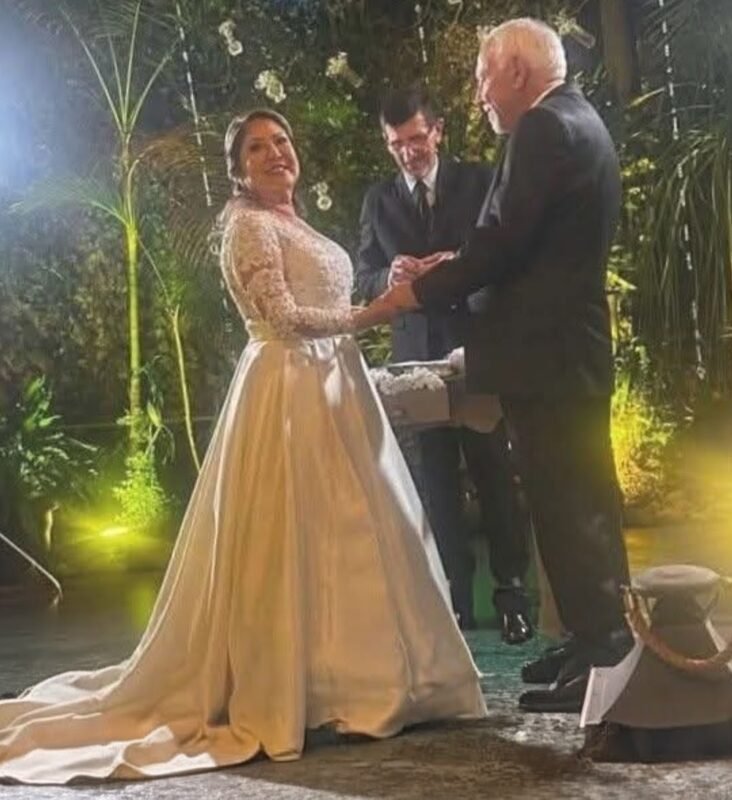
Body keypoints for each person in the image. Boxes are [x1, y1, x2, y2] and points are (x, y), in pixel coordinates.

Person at [0, 109, 486, 784]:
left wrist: (387, 291)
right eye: (257, 148)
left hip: (334, 384)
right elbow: (282, 318)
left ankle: (368, 681)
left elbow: (321, 296)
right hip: (286, 389)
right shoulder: (248, 225)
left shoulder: (292, 221)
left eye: (281, 141)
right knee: (294, 537)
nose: (275, 153)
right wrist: (379, 310)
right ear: (238, 169)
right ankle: (306, 686)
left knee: (356, 533)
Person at [371, 18, 633, 713]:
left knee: (569, 507)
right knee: (575, 504)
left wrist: (417, 291)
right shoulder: (578, 119)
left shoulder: (542, 128)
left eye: (483, 76)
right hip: (565, 354)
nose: (480, 93)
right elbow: (526, 245)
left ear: (517, 72)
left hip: (548, 360)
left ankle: (605, 654)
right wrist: (455, 262)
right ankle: (592, 639)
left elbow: (502, 242)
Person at [356, 85, 532, 642]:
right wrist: (387, 276)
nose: (408, 153)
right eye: (396, 144)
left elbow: (506, 260)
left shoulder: (480, 182)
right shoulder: (378, 201)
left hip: (477, 348)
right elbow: (362, 277)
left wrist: (456, 262)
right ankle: (455, 598)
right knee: (435, 485)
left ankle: (511, 594)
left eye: (416, 139)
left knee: (494, 474)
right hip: (415, 359)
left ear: (438, 131)